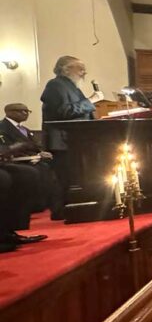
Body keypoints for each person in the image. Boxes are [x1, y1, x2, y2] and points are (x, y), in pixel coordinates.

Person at [40, 56, 103, 218]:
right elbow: (63, 112)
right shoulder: (54, 85)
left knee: (75, 176)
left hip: (76, 140)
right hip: (62, 140)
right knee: (65, 178)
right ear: (65, 69)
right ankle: (63, 211)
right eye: (80, 68)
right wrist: (92, 100)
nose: (84, 72)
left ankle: (76, 207)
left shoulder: (71, 87)